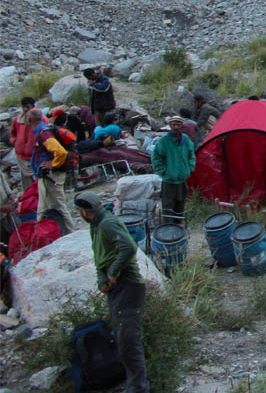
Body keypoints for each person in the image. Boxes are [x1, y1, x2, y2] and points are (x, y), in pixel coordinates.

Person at [74, 191, 148, 393]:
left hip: (128, 285)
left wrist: (113, 273)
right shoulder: (95, 226)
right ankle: (133, 383)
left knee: (128, 341)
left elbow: (128, 247)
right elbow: (99, 256)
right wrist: (102, 280)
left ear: (84, 212)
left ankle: (139, 387)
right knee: (121, 337)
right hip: (115, 287)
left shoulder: (107, 224)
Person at [32, 113, 75, 232]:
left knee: (57, 206)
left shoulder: (44, 134)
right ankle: (61, 233)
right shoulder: (44, 131)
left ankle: (71, 232)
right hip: (51, 175)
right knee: (52, 206)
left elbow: (60, 152)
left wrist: (52, 164)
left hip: (51, 176)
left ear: (29, 120)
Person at [151, 115, 196, 224]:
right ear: (170, 126)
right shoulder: (164, 141)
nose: (176, 127)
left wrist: (189, 168)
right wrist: (162, 171)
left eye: (178, 124)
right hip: (169, 180)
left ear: (181, 126)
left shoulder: (185, 140)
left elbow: (191, 155)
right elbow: (156, 156)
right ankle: (167, 228)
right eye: (173, 124)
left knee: (180, 205)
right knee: (168, 205)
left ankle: (178, 228)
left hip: (182, 179)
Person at [12, 97, 37, 191]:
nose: (25, 109)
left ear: (33, 106)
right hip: (21, 156)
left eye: (27, 106)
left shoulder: (39, 119)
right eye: (23, 107)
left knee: (38, 182)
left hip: (34, 156)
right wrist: (15, 142)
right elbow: (13, 133)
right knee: (27, 186)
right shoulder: (17, 120)